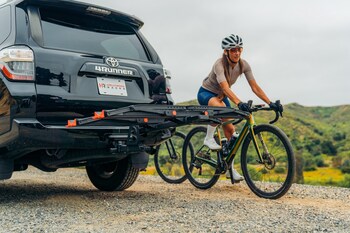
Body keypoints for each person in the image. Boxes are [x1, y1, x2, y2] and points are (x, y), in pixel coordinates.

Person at [197, 34, 283, 181]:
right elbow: (224, 87)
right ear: (226, 52)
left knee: (231, 131)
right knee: (220, 109)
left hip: (223, 96)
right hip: (207, 93)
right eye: (233, 50)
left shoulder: (244, 65)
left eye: (239, 49)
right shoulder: (219, 64)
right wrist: (238, 102)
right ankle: (208, 137)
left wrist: (270, 103)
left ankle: (229, 169)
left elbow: (254, 87)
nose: (237, 53)